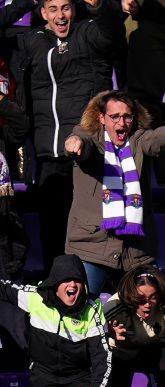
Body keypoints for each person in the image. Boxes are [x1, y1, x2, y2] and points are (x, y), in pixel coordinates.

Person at [18, 0, 123, 269]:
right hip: (47, 152)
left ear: (74, 10)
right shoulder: (32, 41)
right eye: (52, 9)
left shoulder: (88, 32)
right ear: (42, 13)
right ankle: (56, 287)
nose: (60, 15)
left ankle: (90, 284)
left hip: (85, 150)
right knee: (51, 226)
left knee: (88, 226)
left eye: (65, 7)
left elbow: (111, 30)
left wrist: (99, 5)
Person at [64, 90, 165, 294]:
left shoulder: (137, 139)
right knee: (80, 307)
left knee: (152, 306)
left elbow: (154, 139)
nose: (121, 123)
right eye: (114, 117)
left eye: (127, 116)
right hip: (91, 248)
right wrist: (74, 144)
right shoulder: (89, 138)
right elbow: (81, 143)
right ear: (101, 118)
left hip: (135, 252)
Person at [0, 254, 109, 387]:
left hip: (78, 378)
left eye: (77, 280)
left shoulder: (92, 308)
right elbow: (4, 289)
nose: (72, 284)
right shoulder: (36, 297)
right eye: (66, 280)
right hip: (43, 375)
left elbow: (101, 353)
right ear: (55, 283)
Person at [104, 265, 165, 387]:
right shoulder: (114, 306)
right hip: (123, 352)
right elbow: (91, 337)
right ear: (130, 296)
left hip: (156, 348)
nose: (147, 305)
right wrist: (108, 334)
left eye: (153, 297)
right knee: (116, 385)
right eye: (140, 299)